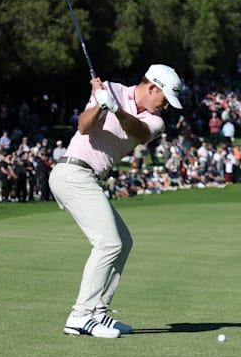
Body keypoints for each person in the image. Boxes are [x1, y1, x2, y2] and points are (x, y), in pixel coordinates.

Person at [49, 63, 182, 338]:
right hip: (71, 172)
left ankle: (98, 311)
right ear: (152, 87)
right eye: (165, 99)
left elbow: (140, 133)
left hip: (87, 177)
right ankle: (81, 315)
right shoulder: (110, 89)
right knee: (108, 242)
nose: (166, 106)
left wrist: (115, 109)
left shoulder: (156, 121)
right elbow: (84, 128)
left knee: (123, 243)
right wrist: (99, 103)